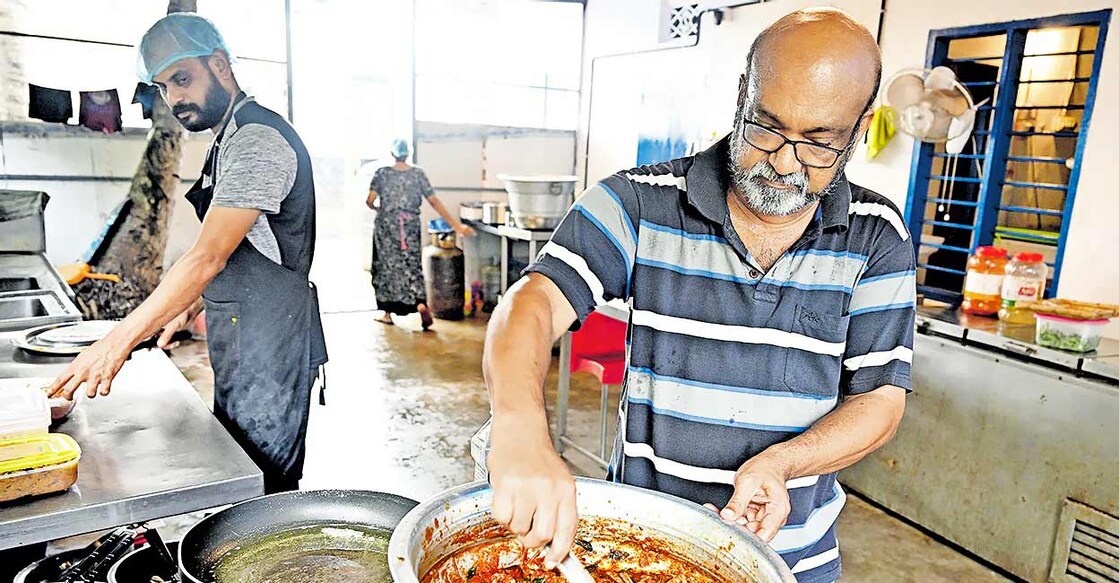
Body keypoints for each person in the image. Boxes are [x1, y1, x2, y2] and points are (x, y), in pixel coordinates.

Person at [482, 8, 914, 582]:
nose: (783, 163)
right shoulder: (640, 203)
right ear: (742, 95)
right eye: (766, 127)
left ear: (858, 132)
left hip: (794, 563)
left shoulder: (876, 233)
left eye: (818, 144)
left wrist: (784, 464)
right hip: (638, 545)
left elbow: (880, 400)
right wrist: (519, 427)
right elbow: (531, 304)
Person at [46, 13, 327, 494]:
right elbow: (246, 245)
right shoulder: (228, 139)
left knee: (263, 484)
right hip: (244, 339)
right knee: (240, 462)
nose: (174, 98)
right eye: (163, 87)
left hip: (271, 343)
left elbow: (208, 256)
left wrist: (117, 341)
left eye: (182, 79)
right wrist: (190, 305)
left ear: (220, 65)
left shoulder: (257, 140)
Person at [366, 139, 475, 328]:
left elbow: (370, 200)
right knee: (411, 264)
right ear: (408, 153)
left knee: (385, 268)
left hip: (386, 227)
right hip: (409, 226)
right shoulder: (418, 174)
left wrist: (379, 210)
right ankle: (420, 304)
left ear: (392, 154)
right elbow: (434, 202)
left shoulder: (381, 173)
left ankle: (387, 313)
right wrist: (457, 226)